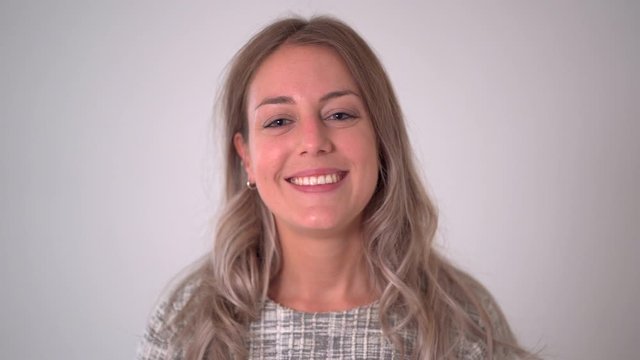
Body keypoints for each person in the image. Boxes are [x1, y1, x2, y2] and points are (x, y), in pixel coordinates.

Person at [137, 16, 535, 360]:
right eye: (279, 121)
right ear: (246, 158)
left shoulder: (463, 319)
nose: (313, 141)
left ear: (381, 139)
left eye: (340, 114)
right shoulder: (186, 320)